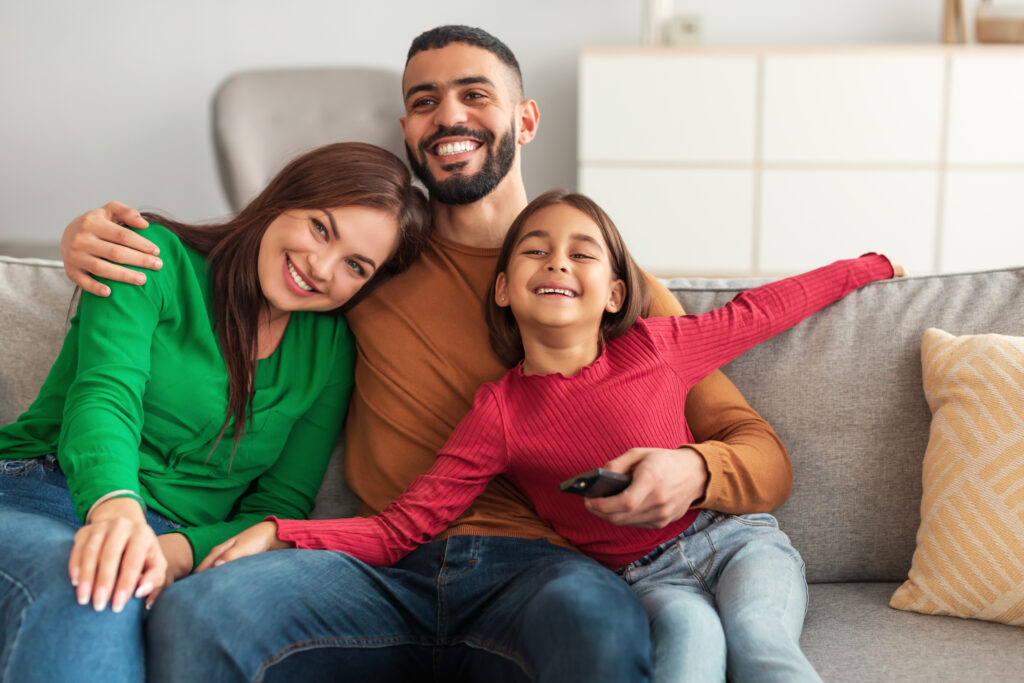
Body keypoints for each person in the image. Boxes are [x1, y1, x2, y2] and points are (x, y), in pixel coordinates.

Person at [57, 25, 799, 683]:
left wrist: (698, 469)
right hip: (378, 567)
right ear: (408, 129)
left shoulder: (611, 288)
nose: (448, 114)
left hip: (544, 573)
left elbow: (762, 454)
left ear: (525, 119)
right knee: (203, 614)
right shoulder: (367, 266)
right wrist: (98, 235)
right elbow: (251, 253)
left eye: (475, 93)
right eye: (423, 100)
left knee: (602, 629)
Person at [207, 190, 902, 682]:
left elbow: (763, 310)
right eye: (536, 251)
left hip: (736, 539)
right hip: (646, 579)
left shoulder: (659, 346)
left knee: (756, 638)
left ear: (616, 293)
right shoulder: (500, 411)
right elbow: (403, 525)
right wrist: (284, 530)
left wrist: (869, 266)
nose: (558, 262)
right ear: (504, 287)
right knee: (687, 653)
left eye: (582, 253)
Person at [0, 142, 429, 682]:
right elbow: (105, 397)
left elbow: (281, 502)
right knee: (93, 592)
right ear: (282, 199)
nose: (321, 268)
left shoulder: (332, 349)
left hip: (180, 538)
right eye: (321, 228)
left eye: (356, 266)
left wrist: (175, 552)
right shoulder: (151, 254)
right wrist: (117, 515)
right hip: (42, 491)